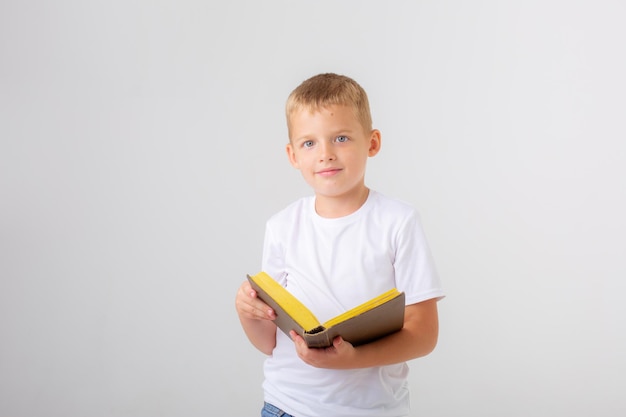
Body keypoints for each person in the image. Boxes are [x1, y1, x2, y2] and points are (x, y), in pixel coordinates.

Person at [235, 73, 444, 417]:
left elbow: (424, 335)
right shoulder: (281, 227)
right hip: (287, 406)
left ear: (372, 143)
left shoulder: (398, 222)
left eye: (341, 138)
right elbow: (269, 342)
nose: (325, 155)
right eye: (309, 143)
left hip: (371, 410)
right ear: (292, 155)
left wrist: (353, 359)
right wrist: (247, 313)